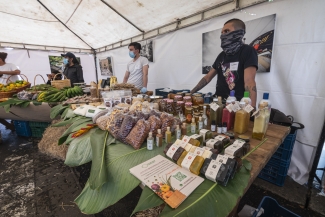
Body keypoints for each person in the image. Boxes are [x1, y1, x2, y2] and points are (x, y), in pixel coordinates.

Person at [191, 19, 258, 107]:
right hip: (219, 103)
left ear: (239, 33)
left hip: (237, 105)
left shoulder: (248, 51)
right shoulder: (222, 55)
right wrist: (190, 93)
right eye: (222, 33)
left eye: (226, 31)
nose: (223, 35)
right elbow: (207, 78)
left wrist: (251, 107)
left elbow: (249, 81)